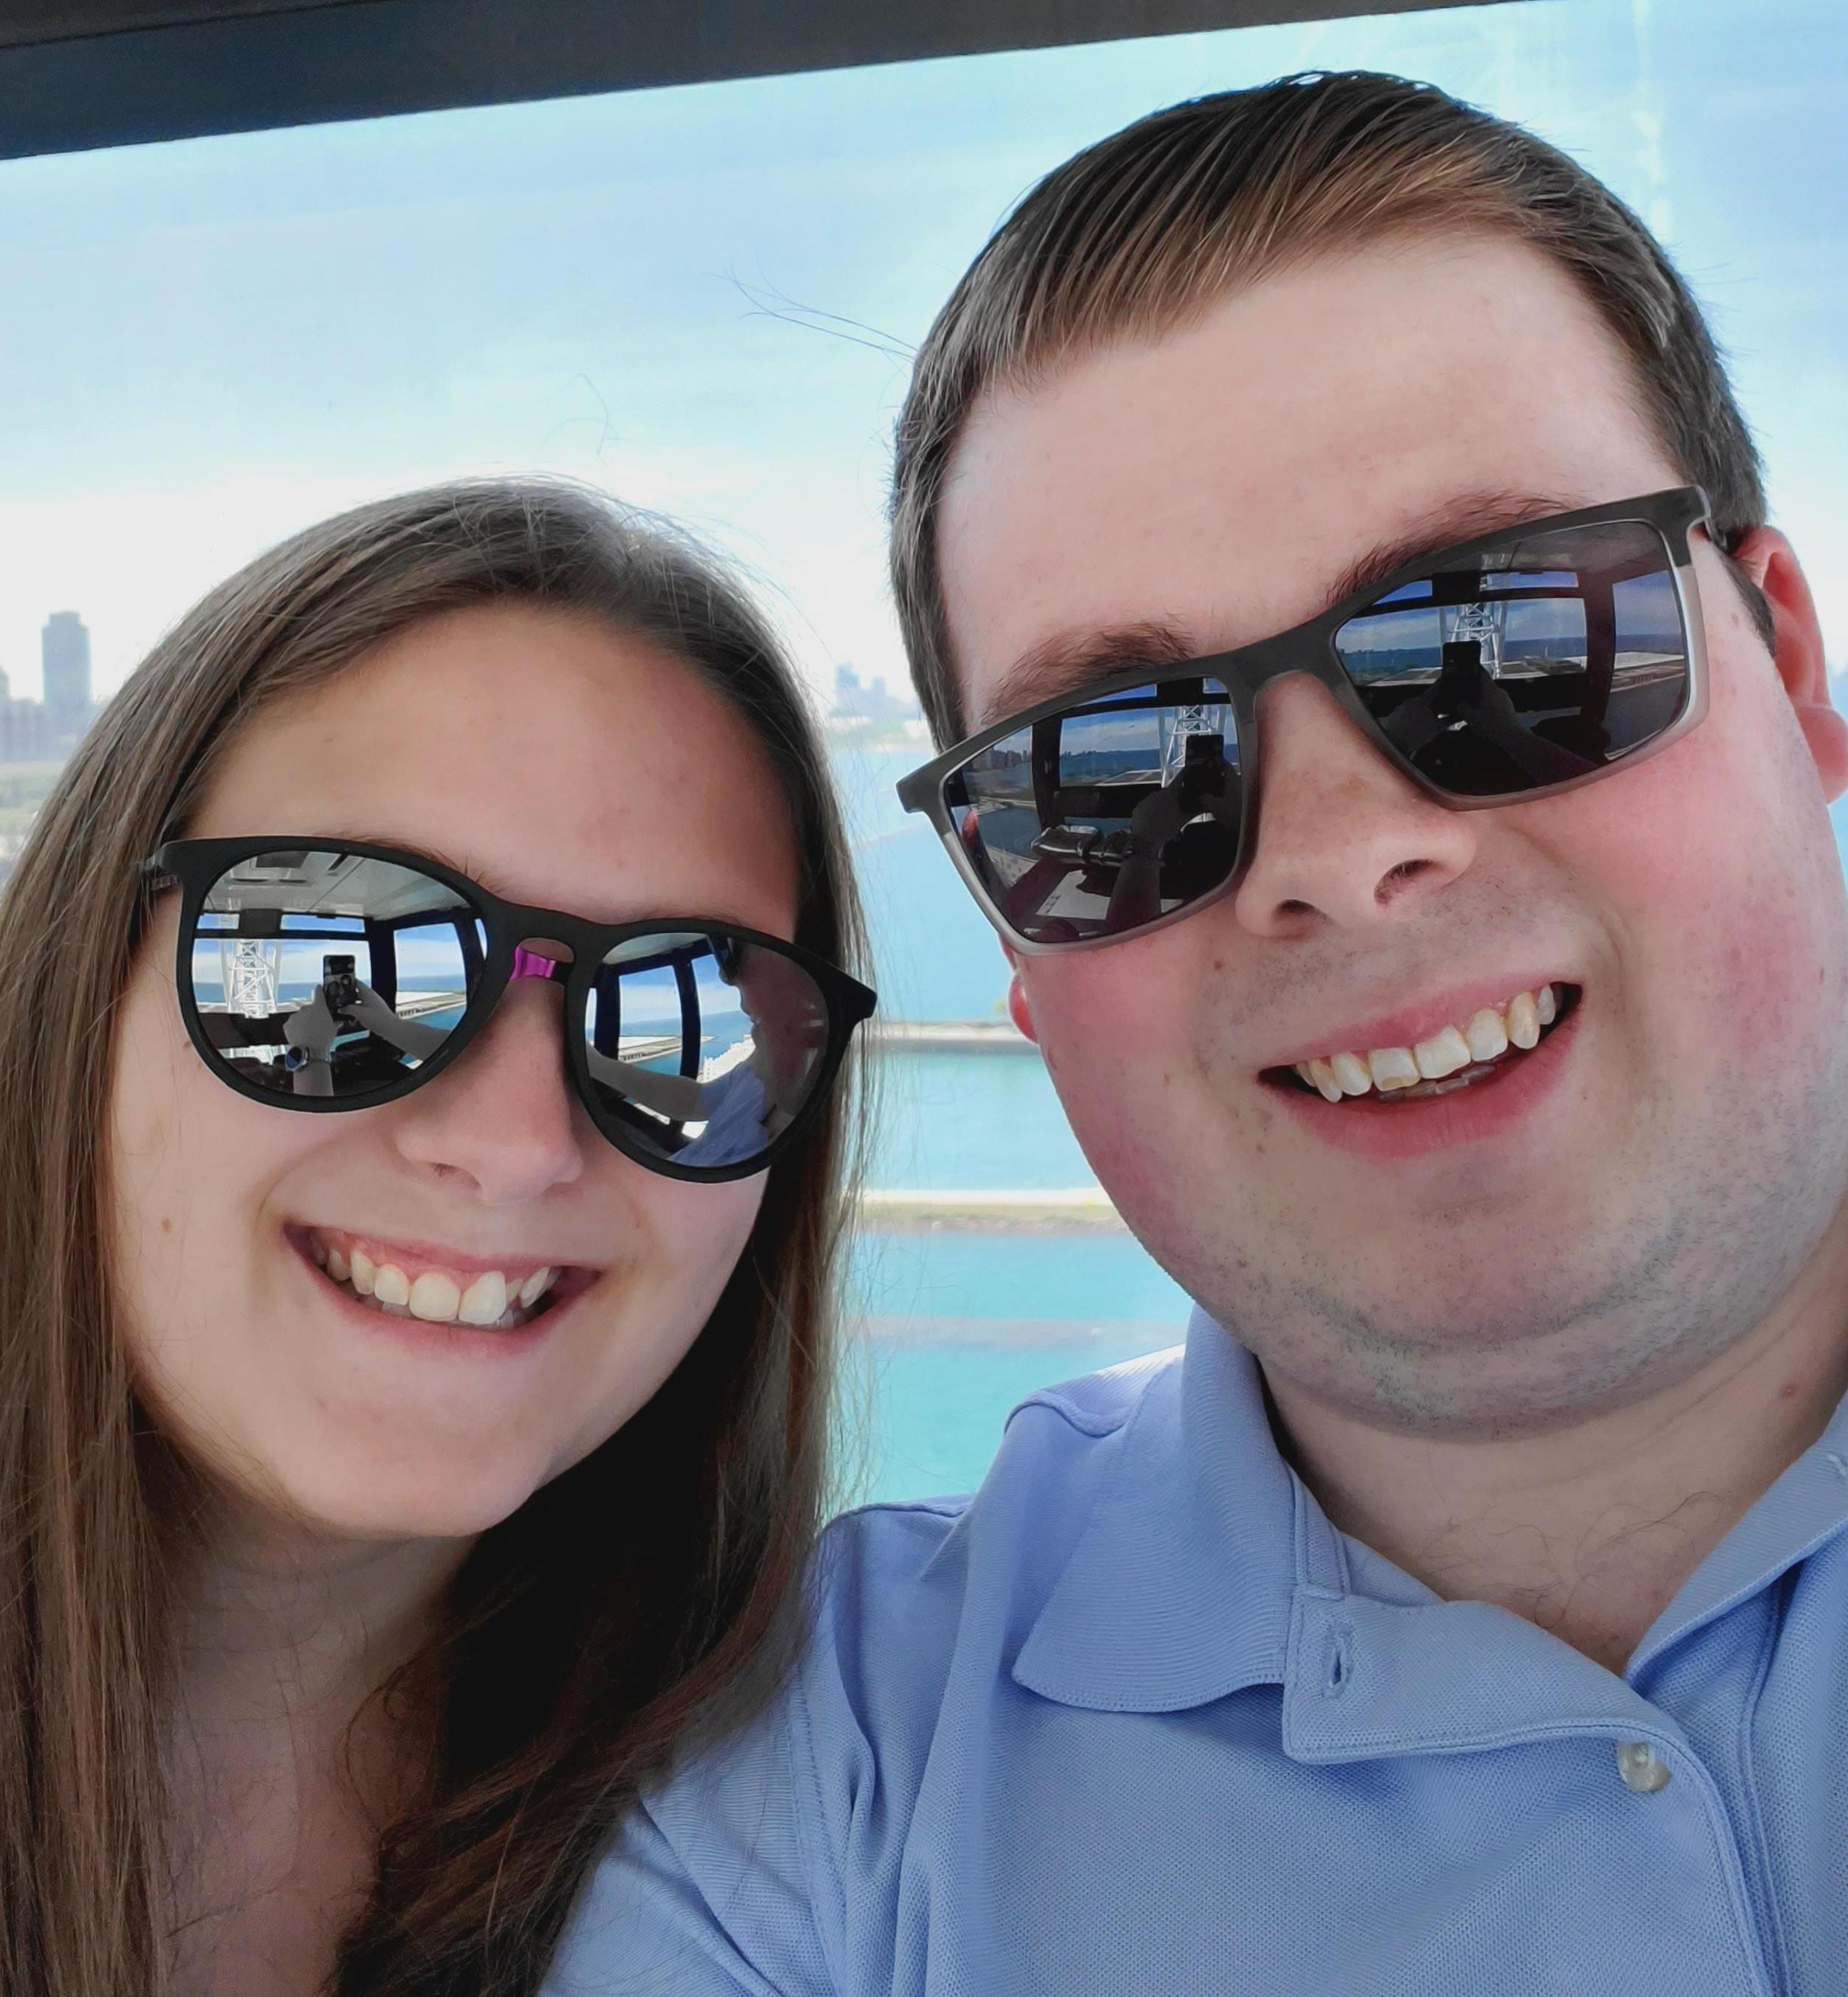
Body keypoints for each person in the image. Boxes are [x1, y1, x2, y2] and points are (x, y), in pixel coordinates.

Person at [548, 72, 1848, 1994]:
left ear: (1787, 675)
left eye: (1506, 642)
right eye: (1114, 773)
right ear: (1012, 941)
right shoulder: (805, 1822)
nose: (1332, 851)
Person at [0, 478, 875, 1997]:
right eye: (341, 959)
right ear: (86, 990)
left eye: (683, 1010)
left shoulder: (807, 1796)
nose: (517, 1142)